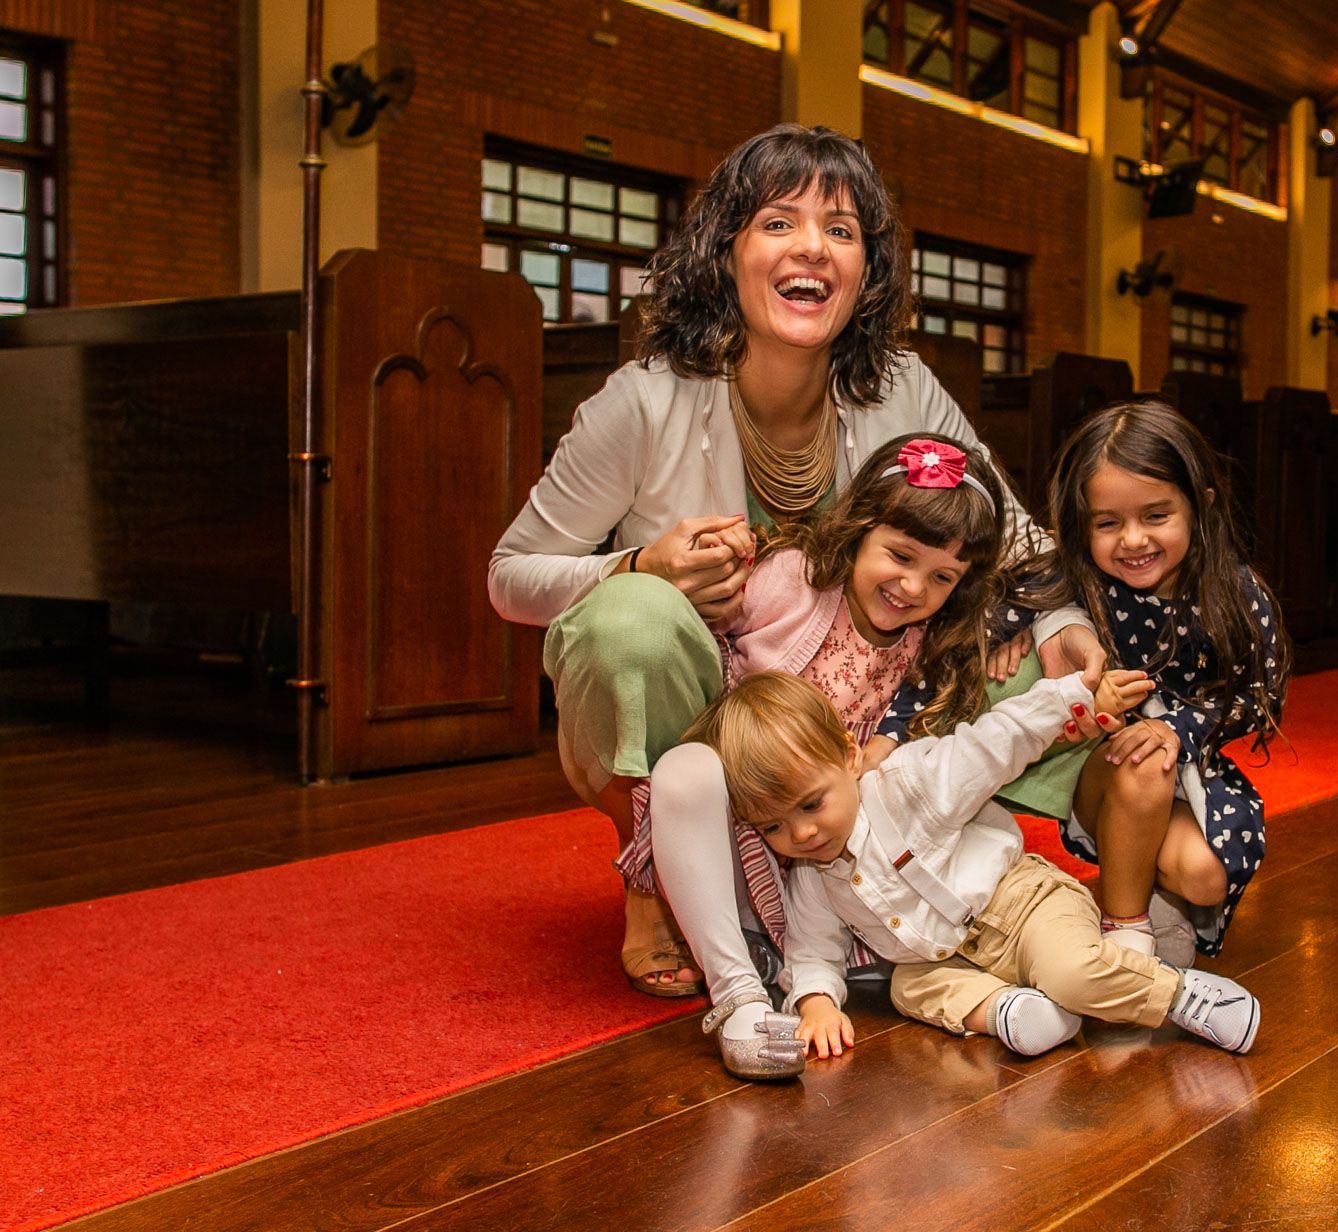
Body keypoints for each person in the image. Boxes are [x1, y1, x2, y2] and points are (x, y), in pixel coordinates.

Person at [487, 124, 1101, 1077]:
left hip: (864, 716)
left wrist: (1058, 621)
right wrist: (635, 565)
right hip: (712, 714)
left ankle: (991, 881)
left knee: (1038, 659)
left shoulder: (899, 388)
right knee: (629, 623)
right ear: (729, 249)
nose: (812, 246)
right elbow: (510, 574)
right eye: (779, 221)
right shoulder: (642, 402)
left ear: (866, 272)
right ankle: (646, 864)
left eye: (841, 229)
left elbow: (1009, 530)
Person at [877, 401, 1290, 962]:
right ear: (1081, 524)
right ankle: (1127, 930)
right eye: (1108, 523)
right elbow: (951, 652)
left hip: (1192, 766)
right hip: (1102, 768)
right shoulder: (1067, 576)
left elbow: (1255, 698)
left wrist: (1178, 731)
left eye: (1156, 515)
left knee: (1203, 877)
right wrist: (893, 733)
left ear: (1201, 507)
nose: (1133, 540)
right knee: (1142, 758)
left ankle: (1157, 892)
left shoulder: (1238, 595)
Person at [685, 670, 1262, 1066]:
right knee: (908, 987)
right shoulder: (813, 877)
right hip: (949, 959)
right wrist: (814, 1002)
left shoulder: (910, 784)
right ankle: (1014, 1012)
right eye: (773, 827)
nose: (802, 834)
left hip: (1025, 905)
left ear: (848, 754)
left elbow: (994, 742)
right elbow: (812, 951)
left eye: (811, 804)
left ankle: (1181, 997)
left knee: (1072, 972)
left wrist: (1068, 700)